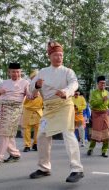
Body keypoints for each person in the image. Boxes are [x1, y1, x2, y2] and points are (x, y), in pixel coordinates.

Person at [29, 41, 84, 183]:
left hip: (64, 105)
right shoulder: (42, 72)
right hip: (48, 108)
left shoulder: (68, 71)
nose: (59, 58)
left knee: (68, 133)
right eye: (56, 55)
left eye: (61, 55)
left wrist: (66, 92)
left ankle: (76, 169)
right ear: (50, 56)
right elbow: (31, 90)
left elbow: (74, 84)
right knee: (41, 135)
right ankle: (44, 167)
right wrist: (36, 85)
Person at [0, 62, 30, 169]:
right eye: (13, 72)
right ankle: (15, 154)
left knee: (5, 133)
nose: (16, 74)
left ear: (21, 72)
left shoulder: (25, 83)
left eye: (18, 72)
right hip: (2, 108)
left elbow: (30, 95)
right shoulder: (4, 82)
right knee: (7, 134)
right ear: (9, 72)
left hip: (15, 110)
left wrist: (36, 91)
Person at [87, 76, 109, 158]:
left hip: (105, 115)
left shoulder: (106, 93)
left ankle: (104, 151)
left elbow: (108, 104)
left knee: (107, 134)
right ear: (98, 84)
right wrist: (102, 100)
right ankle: (90, 148)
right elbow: (92, 104)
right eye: (101, 83)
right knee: (95, 134)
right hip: (97, 115)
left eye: (104, 83)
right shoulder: (94, 93)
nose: (103, 85)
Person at [21, 70, 43, 152]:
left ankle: (36, 144)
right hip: (28, 109)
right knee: (26, 128)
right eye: (35, 77)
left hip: (38, 110)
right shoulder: (28, 87)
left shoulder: (43, 88)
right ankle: (27, 145)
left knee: (39, 128)